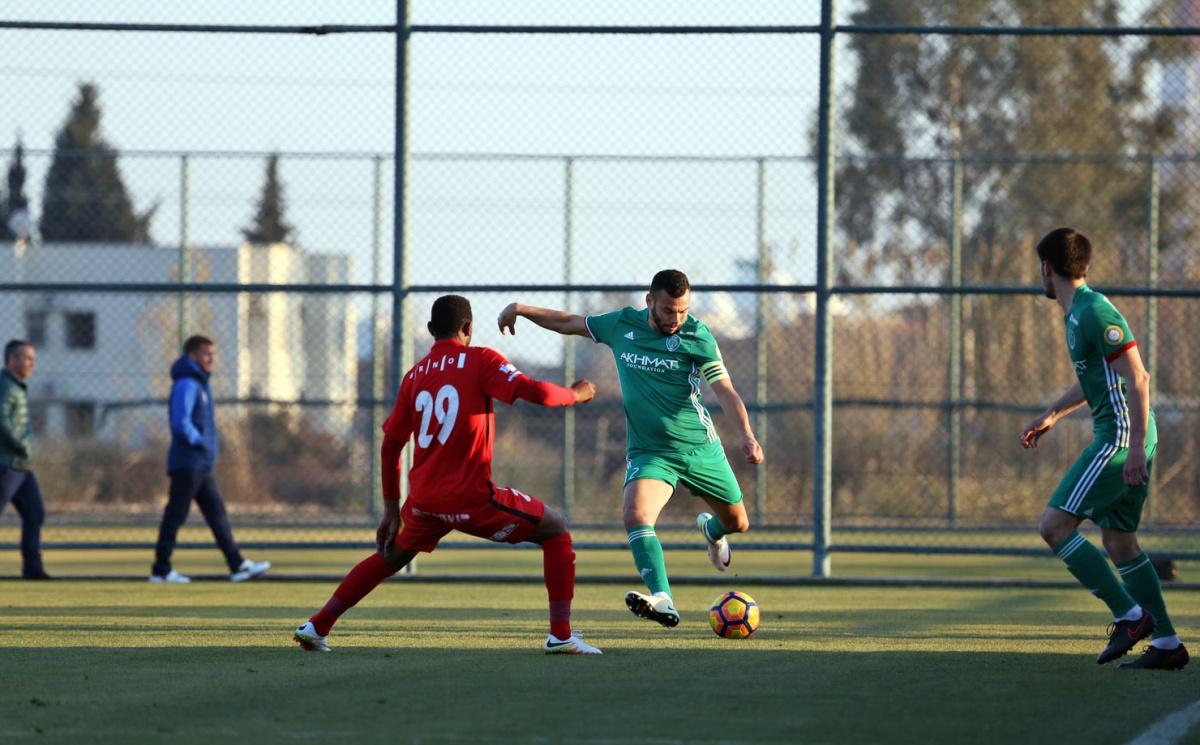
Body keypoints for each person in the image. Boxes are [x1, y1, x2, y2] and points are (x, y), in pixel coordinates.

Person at [294, 295, 601, 654]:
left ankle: (317, 625)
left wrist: (391, 512)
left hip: (423, 501)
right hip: (472, 498)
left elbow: (391, 446)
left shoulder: (414, 376)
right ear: (468, 329)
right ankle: (561, 635)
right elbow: (537, 393)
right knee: (556, 530)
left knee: (388, 558)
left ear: (429, 331)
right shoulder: (480, 359)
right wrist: (576, 394)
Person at [498, 269, 764, 628]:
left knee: (739, 523)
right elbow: (570, 322)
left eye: (683, 310)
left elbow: (726, 391)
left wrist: (746, 434)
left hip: (700, 447)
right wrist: (521, 308)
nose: (676, 318)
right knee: (636, 515)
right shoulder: (622, 324)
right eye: (669, 310)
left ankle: (712, 532)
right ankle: (663, 598)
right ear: (650, 301)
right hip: (650, 451)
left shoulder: (697, 334)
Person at [1019, 227, 1188, 670]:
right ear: (1085, 266)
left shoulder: (1094, 312)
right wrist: (1054, 413)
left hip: (1119, 437)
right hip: (1126, 435)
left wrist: (1133, 448)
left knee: (1054, 526)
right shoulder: (1077, 315)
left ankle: (1130, 617)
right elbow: (1097, 377)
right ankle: (1168, 644)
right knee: (1119, 541)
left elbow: (1138, 378)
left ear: (1046, 268)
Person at [151, 335, 270, 584]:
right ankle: (161, 570)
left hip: (202, 465)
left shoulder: (200, 383)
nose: (211, 359)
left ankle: (237, 565)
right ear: (192, 355)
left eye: (212, 354)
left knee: (217, 514)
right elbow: (180, 422)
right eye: (206, 354)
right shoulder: (187, 383)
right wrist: (200, 441)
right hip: (189, 463)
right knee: (175, 515)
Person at [0, 340, 49, 580]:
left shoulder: (16, 387)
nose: (32, 363)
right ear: (11, 359)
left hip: (20, 466)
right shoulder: (5, 386)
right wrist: (21, 444)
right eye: (27, 358)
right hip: (6, 463)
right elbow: (2, 421)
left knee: (35, 513)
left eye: (33, 359)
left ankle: (33, 569)